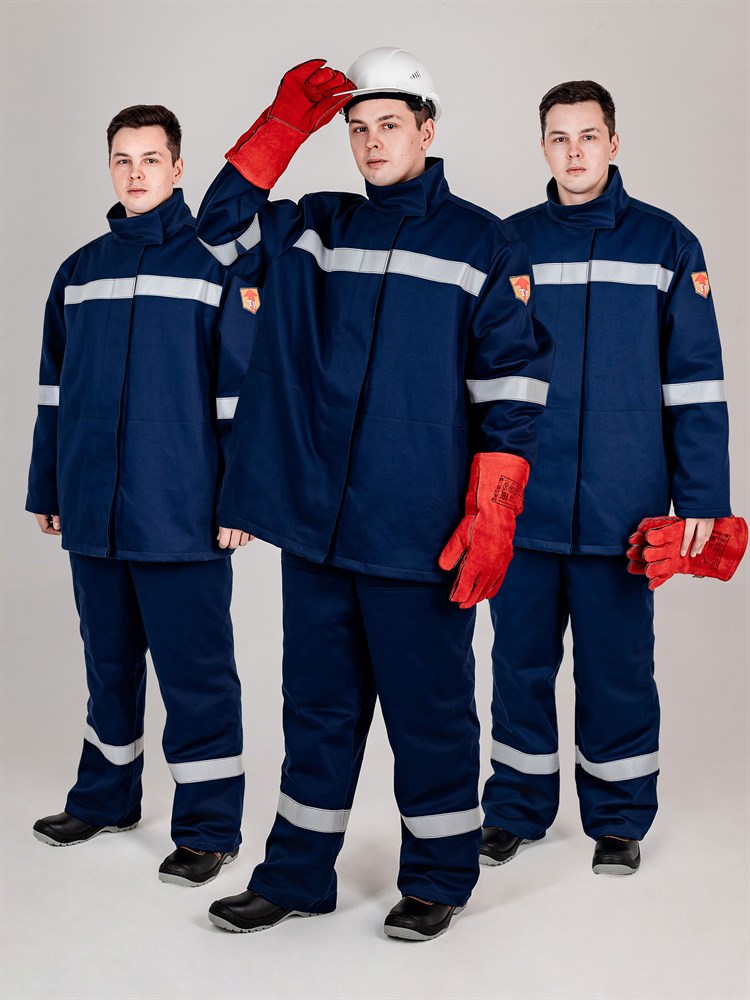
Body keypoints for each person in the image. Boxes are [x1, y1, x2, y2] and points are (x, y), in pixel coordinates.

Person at [195, 48, 552, 940]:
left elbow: (512, 383)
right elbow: (218, 230)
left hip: (416, 528)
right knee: (316, 709)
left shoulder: (484, 242)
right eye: (357, 128)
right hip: (318, 522)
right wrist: (283, 127)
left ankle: (437, 878)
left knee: (429, 712)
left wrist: (494, 508)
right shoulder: (317, 225)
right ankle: (296, 876)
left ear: (427, 130)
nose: (371, 142)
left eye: (389, 124)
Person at [479, 80, 736, 876]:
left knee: (617, 670)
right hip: (525, 503)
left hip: (624, 507)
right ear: (543, 147)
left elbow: (695, 380)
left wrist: (702, 497)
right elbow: (482, 374)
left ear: (614, 143)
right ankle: (516, 808)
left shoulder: (667, 244)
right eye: (559, 138)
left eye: (588, 136)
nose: (574, 152)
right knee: (518, 664)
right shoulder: (510, 243)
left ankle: (619, 818)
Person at [26, 104, 255, 887]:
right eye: (123, 159)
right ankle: (106, 798)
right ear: (110, 167)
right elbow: (54, 391)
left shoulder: (213, 265)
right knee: (108, 662)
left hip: (181, 510)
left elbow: (240, 396)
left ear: (178, 168)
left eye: (151, 159)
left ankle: (209, 827)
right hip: (93, 505)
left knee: (197, 673)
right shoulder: (79, 271)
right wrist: (49, 483)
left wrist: (238, 501)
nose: (135, 173)